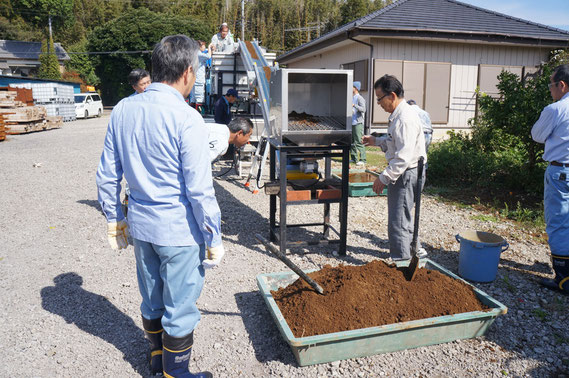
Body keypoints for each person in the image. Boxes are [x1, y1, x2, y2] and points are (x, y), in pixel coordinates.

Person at [96, 34, 223, 377]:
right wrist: (213, 235)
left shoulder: (123, 108)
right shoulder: (188, 119)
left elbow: (108, 173)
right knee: (180, 307)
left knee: (152, 296)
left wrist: (114, 218)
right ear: (186, 73)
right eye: (196, 71)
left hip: (141, 226)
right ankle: (175, 373)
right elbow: (199, 191)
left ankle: (156, 360)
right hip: (179, 230)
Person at [362, 75, 427, 261]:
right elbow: (395, 143)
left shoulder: (404, 119)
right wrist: (376, 141)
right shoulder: (399, 115)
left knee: (398, 222)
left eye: (379, 98)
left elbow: (403, 158)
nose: (379, 103)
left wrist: (383, 178)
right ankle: (409, 255)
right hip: (407, 172)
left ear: (391, 96)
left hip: (406, 174)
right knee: (403, 218)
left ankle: (401, 264)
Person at [531, 63, 569, 294]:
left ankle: (563, 278)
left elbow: (537, 135)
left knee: (558, 222)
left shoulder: (556, 109)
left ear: (562, 85)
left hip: (560, 171)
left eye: (551, 85)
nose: (550, 90)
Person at [189, 41, 213, 113]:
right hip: (198, 79)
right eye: (203, 46)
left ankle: (192, 113)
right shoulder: (199, 54)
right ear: (200, 46)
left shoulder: (193, 53)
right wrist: (209, 47)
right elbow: (208, 56)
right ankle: (199, 114)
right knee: (199, 98)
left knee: (193, 98)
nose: (204, 48)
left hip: (193, 79)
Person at [351, 81, 366, 166]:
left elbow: (363, 109)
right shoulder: (352, 97)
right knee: (352, 142)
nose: (351, 88)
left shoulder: (360, 98)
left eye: (352, 86)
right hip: (352, 123)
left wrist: (354, 105)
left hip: (358, 123)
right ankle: (353, 158)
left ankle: (363, 159)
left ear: (356, 88)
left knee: (359, 141)